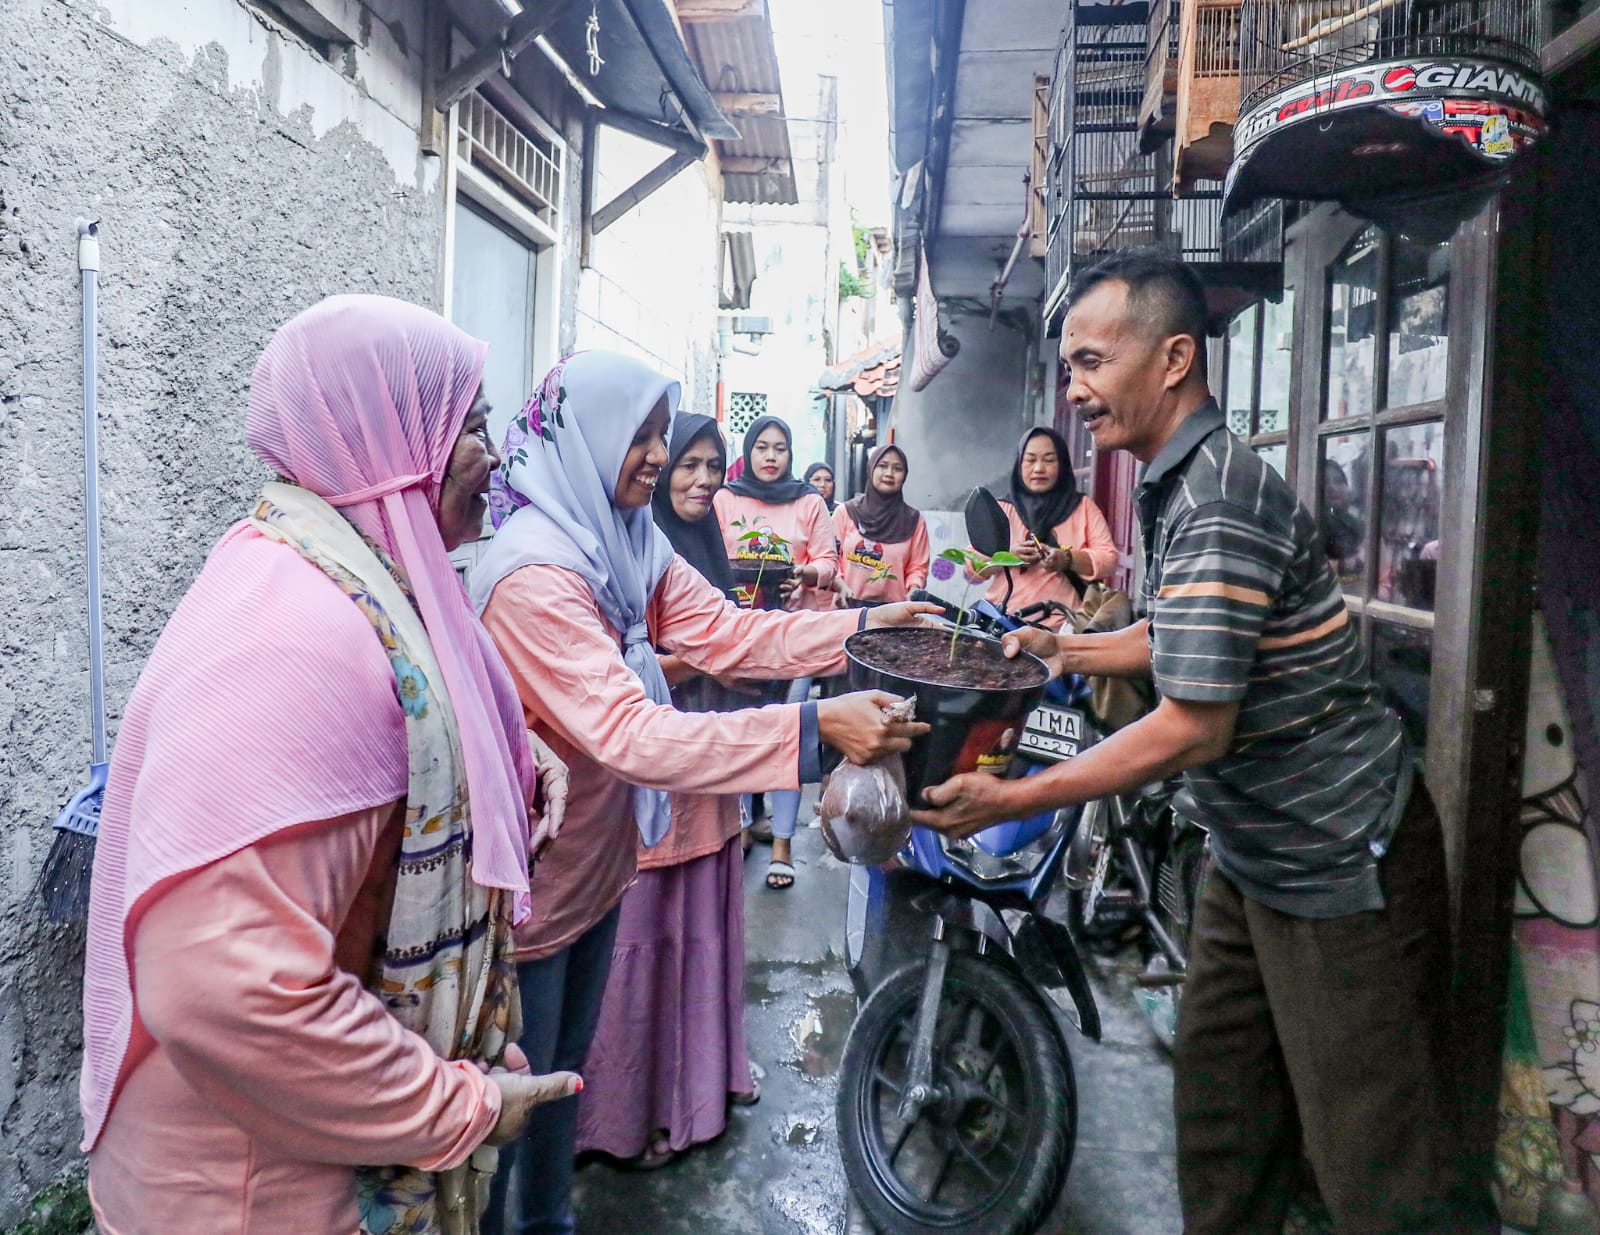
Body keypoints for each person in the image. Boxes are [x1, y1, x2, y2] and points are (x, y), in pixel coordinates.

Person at [912, 251, 1469, 1235]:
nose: (1074, 388)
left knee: (1376, 1166)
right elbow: (1176, 636)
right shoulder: (1174, 478)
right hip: (1252, 851)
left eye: (1090, 360)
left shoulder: (1216, 494)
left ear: (1172, 358)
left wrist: (1007, 798)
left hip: (1340, 857)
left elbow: (1188, 721)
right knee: (1222, 1120)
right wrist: (1063, 644)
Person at [79, 295, 578, 1235]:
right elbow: (226, 989)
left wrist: (521, 759)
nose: (497, 457)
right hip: (252, 1193)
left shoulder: (352, 579)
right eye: (469, 425)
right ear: (393, 439)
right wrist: (457, 1107)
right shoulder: (298, 635)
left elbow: (425, 733)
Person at [469, 354, 931, 1235]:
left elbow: (723, 631)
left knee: (562, 1077)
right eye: (637, 437)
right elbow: (634, 734)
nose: (653, 455)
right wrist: (814, 732)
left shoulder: (622, 537)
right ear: (584, 438)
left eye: (659, 433)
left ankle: (550, 1222)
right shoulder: (537, 574)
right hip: (529, 888)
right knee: (509, 1109)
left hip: (598, 868)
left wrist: (867, 622)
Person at [574, 413, 758, 1171]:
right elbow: (619, 669)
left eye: (714, 467)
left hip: (706, 758)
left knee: (696, 925)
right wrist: (693, 659)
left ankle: (697, 1090)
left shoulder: (701, 547)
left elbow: (731, 642)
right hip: (647, 763)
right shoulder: (618, 552)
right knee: (639, 938)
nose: (701, 480)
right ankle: (623, 1115)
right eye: (689, 464)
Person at [713, 416, 841, 889]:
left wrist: (802, 576)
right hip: (739, 633)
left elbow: (830, 563)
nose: (770, 456)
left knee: (791, 733)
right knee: (744, 729)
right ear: (749, 451)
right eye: (762, 447)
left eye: (780, 448)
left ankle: (783, 843)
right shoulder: (725, 498)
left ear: (790, 455)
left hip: (796, 636)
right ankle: (744, 824)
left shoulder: (808, 501)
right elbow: (708, 557)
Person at [970, 426, 1119, 628]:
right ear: (1019, 464)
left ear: (1063, 464)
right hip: (1002, 623)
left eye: (1049, 460)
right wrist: (1010, 556)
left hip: (1063, 628)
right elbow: (972, 566)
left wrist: (1066, 559)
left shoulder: (1083, 507)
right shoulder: (1002, 509)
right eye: (1030, 459)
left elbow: (1109, 559)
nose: (1039, 468)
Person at [835, 444, 929, 606]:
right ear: (871, 469)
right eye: (882, 466)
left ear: (905, 475)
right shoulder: (846, 513)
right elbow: (830, 558)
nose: (889, 474)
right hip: (846, 608)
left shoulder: (914, 521)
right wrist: (839, 585)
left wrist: (914, 589)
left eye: (897, 469)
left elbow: (917, 568)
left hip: (893, 616)